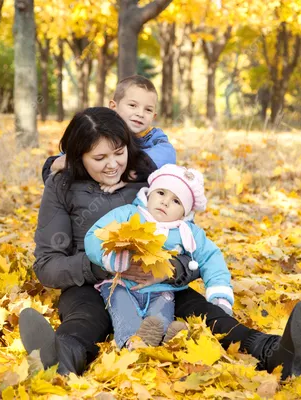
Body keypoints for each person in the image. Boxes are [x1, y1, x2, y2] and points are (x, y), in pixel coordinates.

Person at [19, 107, 301, 381]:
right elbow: (47, 265)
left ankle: (275, 352)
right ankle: (60, 358)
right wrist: (103, 268)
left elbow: (192, 244)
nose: (113, 164)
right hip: (90, 284)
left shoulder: (153, 182)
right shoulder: (62, 187)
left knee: (206, 313)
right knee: (86, 320)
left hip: (161, 281)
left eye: (119, 153)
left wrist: (169, 269)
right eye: (100, 158)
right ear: (77, 158)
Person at [85, 164, 234, 350]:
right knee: (123, 310)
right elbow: (94, 235)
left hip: (161, 289)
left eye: (176, 201)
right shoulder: (128, 214)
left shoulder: (187, 232)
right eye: (161, 193)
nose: (165, 202)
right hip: (122, 285)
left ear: (185, 212)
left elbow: (211, 258)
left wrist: (220, 296)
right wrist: (111, 259)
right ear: (149, 194)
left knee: (160, 314)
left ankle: (166, 339)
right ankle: (131, 342)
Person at [42, 75, 176, 186]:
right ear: (113, 106)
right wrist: (53, 166)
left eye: (148, 109)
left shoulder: (152, 137)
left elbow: (167, 153)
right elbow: (68, 155)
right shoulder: (99, 129)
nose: (140, 113)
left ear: (154, 116)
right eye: (132, 105)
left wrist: (131, 168)